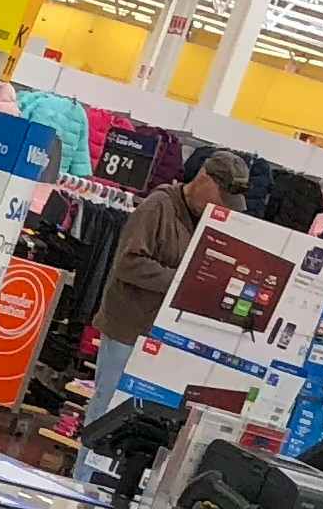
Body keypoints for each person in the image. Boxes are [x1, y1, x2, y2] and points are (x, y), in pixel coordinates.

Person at [96, 143, 244, 360]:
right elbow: (127, 262)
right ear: (204, 177)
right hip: (128, 330)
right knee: (109, 394)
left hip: (166, 333)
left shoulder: (209, 220)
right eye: (221, 196)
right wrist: (183, 282)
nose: (222, 206)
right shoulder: (158, 205)